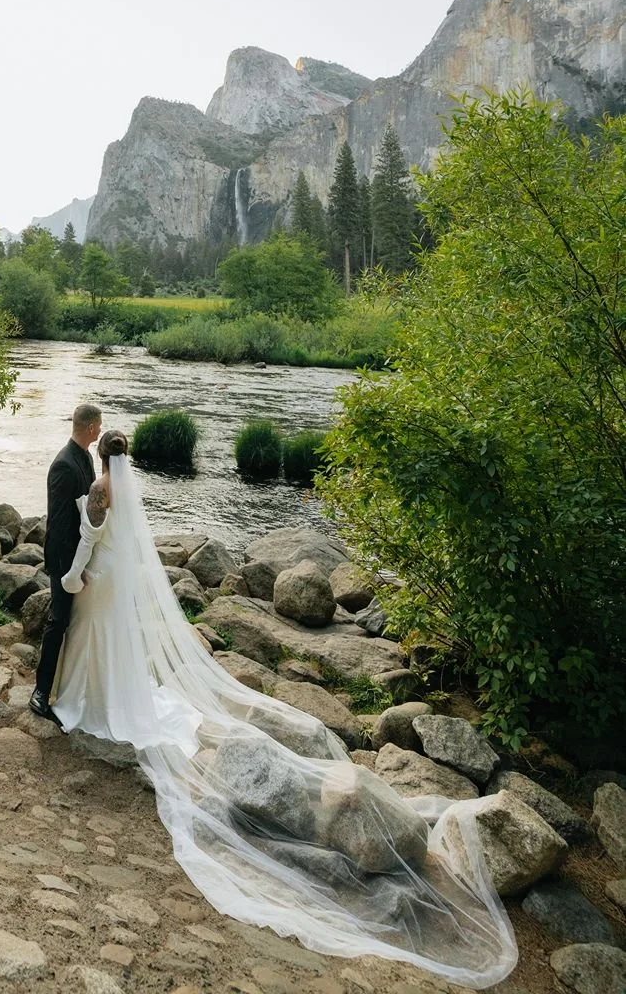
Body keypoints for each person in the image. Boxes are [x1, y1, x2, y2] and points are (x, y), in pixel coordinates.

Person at [48, 432, 519, 990]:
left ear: (104, 456)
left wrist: (74, 575)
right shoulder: (129, 486)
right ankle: (113, 694)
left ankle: (92, 700)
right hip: (121, 579)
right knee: (115, 642)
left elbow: (92, 537)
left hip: (101, 579)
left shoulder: (101, 488)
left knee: (96, 637)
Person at [29, 401, 102, 724]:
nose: (99, 431)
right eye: (98, 426)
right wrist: (70, 568)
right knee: (57, 622)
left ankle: (71, 686)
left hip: (83, 554)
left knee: (75, 622)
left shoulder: (85, 457)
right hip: (64, 556)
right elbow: (58, 523)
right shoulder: (64, 465)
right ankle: (41, 692)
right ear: (89, 428)